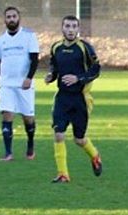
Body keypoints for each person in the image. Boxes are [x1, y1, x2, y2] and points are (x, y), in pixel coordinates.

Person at [44, 15, 102, 184]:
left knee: (79, 139)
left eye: (73, 26)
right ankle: (63, 174)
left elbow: (96, 70)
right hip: (62, 98)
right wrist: (51, 76)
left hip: (80, 99)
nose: (70, 30)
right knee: (58, 134)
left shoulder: (85, 48)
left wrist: (79, 79)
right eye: (67, 26)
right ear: (62, 28)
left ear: (78, 29)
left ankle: (95, 156)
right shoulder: (56, 48)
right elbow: (54, 68)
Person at [0, 6, 40, 162]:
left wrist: (29, 78)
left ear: (19, 18)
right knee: (7, 114)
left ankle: (30, 143)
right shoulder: (0, 40)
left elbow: (34, 59)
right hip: (6, 85)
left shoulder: (29, 36)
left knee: (28, 118)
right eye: (8, 17)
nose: (11, 19)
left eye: (14, 16)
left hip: (24, 84)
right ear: (5, 20)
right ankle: (8, 153)